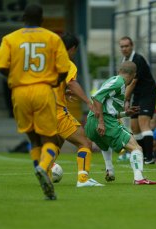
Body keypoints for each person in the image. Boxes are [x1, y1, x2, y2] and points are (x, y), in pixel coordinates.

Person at [0, 4, 70, 200]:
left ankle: (43, 178)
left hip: (19, 91)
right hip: (43, 90)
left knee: (33, 139)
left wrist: (19, 76)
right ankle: (43, 167)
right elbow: (63, 69)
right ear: (42, 19)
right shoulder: (52, 38)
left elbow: (2, 66)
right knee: (51, 139)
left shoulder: (10, 39)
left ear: (23, 17)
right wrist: (53, 81)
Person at [85, 61, 156, 185]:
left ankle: (110, 170)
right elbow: (96, 97)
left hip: (91, 124)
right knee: (136, 148)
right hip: (103, 121)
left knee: (105, 144)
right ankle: (139, 178)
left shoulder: (113, 82)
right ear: (133, 75)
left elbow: (108, 109)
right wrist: (101, 122)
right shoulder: (119, 82)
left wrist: (126, 113)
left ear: (119, 71)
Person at [54, 32, 103, 187]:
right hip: (57, 112)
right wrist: (88, 102)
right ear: (72, 49)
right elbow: (72, 83)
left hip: (41, 112)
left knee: (56, 143)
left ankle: (45, 170)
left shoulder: (49, 60)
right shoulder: (67, 63)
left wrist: (63, 92)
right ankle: (83, 179)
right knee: (85, 142)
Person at [119, 36, 156, 164]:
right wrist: (127, 99)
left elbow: (133, 82)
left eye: (126, 46)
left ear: (132, 46)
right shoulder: (124, 60)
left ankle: (150, 157)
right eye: (122, 46)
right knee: (134, 127)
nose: (124, 49)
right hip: (137, 96)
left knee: (143, 123)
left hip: (148, 94)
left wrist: (124, 100)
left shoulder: (138, 60)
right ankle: (142, 155)